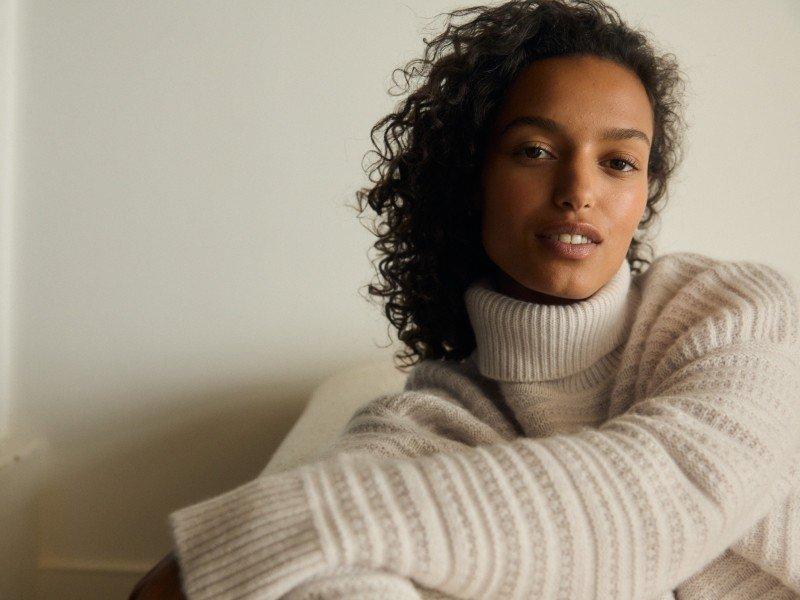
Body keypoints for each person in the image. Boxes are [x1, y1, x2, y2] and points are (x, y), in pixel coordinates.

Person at [130, 0, 800, 598]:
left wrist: (271, 527)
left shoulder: (734, 310)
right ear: (470, 175)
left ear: (644, 192)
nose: (579, 188)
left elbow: (675, 490)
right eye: (535, 150)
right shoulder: (421, 428)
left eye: (618, 162)